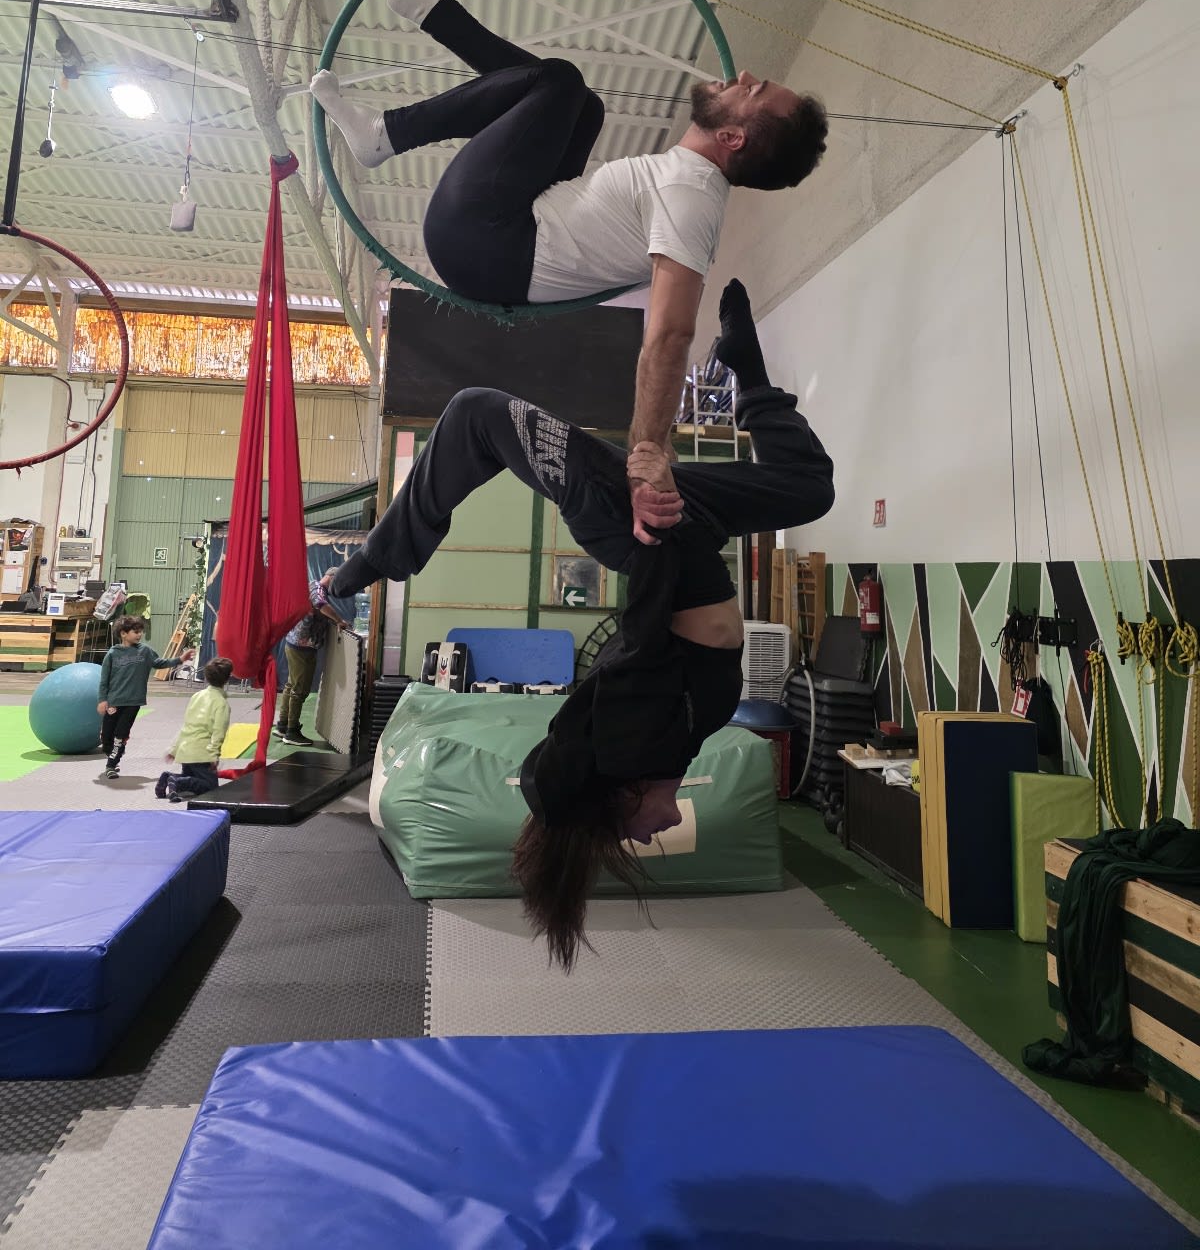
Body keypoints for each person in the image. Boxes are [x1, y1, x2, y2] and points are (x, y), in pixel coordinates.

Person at [319, 280, 834, 968]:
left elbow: (643, 639)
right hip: (688, 532)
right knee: (809, 486)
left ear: (619, 798)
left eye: (633, 835)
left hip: (642, 529)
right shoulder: (669, 750)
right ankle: (744, 364)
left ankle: (359, 571)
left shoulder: (634, 743)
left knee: (475, 414)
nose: (654, 833)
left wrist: (651, 524)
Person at [311, 0, 828, 544]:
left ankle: (384, 135)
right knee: (583, 106)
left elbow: (670, 333)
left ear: (734, 138)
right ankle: (430, 8)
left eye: (755, 92)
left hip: (487, 242)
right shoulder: (684, 176)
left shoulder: (692, 198)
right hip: (515, 225)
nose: (745, 75)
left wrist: (649, 453)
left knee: (559, 83)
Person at [96, 615, 193, 780]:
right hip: (114, 702)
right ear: (123, 633)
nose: (139, 634)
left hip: (133, 702)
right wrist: (102, 700)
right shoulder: (112, 654)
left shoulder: (145, 651)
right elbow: (104, 680)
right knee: (106, 737)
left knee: (121, 733)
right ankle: (113, 751)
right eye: (136, 632)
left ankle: (111, 765)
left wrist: (180, 659)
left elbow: (160, 663)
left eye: (141, 631)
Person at [276, 578, 348, 746]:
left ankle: (283, 725)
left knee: (291, 685)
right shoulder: (318, 590)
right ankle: (292, 732)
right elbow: (321, 605)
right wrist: (339, 620)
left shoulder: (311, 585)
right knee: (299, 689)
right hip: (302, 646)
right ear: (331, 579)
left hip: (295, 643)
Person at [156, 656, 233, 802]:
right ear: (227, 679)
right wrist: (213, 756)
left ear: (206, 676)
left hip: (185, 752)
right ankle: (177, 782)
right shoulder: (221, 704)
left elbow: (187, 726)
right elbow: (218, 733)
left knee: (193, 779)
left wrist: (174, 749)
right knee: (210, 787)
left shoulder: (196, 696)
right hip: (201, 755)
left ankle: (170, 777)